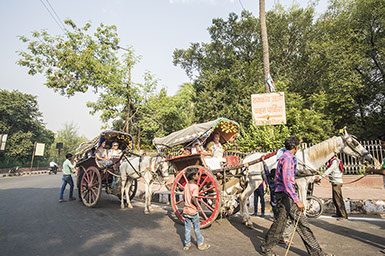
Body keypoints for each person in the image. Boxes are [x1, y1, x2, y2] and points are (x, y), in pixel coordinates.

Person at [260, 136, 331, 256]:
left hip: (286, 195)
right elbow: (287, 182)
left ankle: (317, 252)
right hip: (285, 196)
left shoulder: (287, 157)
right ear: (296, 147)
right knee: (281, 225)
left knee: (300, 224)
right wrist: (297, 200)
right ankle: (266, 247)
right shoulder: (287, 159)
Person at [182, 167, 210, 251]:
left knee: (187, 229)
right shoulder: (195, 187)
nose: (198, 176)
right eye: (198, 174)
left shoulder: (186, 185)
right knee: (196, 228)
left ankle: (187, 245)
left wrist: (186, 202)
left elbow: (183, 196)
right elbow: (194, 198)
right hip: (193, 211)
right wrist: (197, 206)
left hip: (186, 211)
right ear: (194, 176)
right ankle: (200, 244)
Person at [316, 155, 348, 220]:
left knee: (338, 199)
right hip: (335, 182)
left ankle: (343, 215)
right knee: (335, 199)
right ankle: (339, 213)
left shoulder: (335, 162)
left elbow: (329, 170)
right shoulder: (335, 161)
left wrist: (320, 177)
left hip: (337, 183)